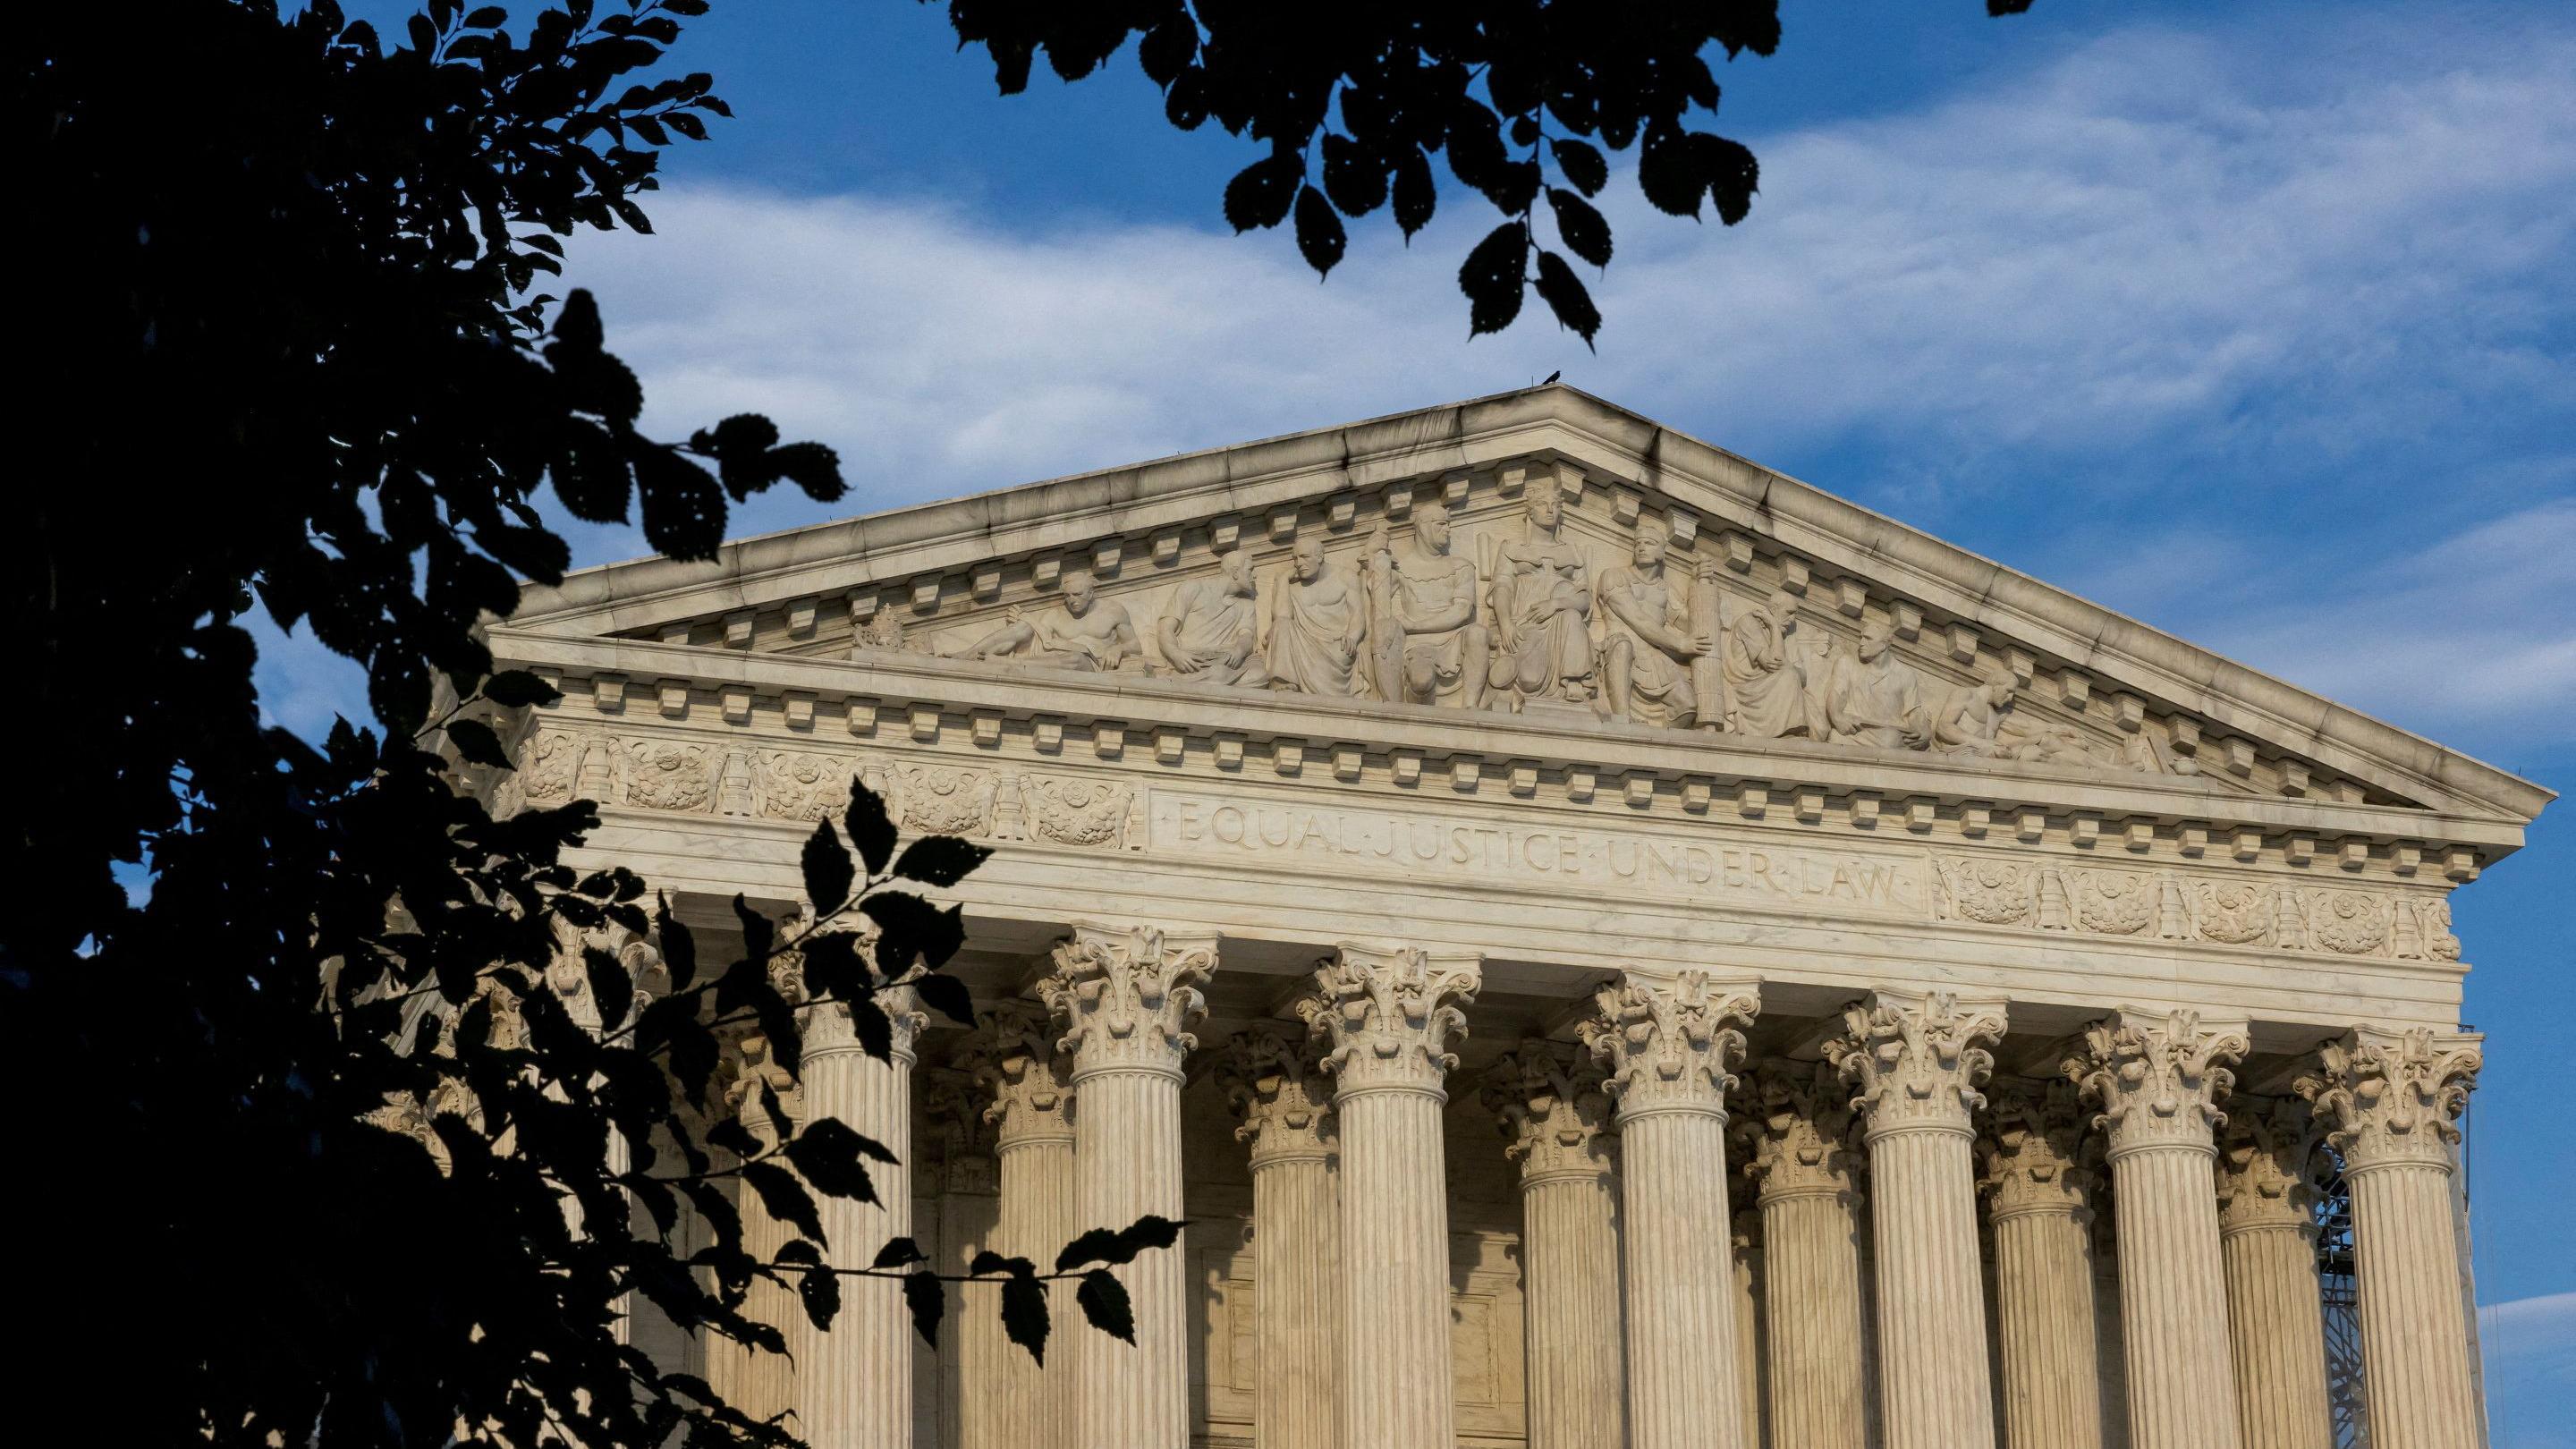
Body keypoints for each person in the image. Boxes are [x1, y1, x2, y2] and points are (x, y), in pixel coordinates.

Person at [1364, 506, 1488, 708]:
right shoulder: (1402, 569)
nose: (1448, 529)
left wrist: (1414, 626)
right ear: (1423, 528)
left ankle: (1470, 707)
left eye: (1448, 524)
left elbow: (1462, 611)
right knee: (1421, 681)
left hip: (1455, 638)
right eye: (1441, 524)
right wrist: (1374, 557)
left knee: (1479, 633)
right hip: (1418, 645)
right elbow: (1376, 601)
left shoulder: (1461, 566)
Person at [1595, 519, 1712, 728]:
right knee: (1622, 645)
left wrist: (1698, 586)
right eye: (1637, 543)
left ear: (1662, 552)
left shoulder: (1664, 589)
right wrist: (1679, 644)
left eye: (1648, 543)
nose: (1641, 548)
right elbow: (1637, 618)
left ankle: (1655, 747)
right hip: (1623, 650)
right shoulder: (1614, 576)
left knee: (1688, 706)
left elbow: (1692, 624)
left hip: (1655, 657)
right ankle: (1622, 721)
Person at [1487, 488, 1595, 708]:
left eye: (1555, 505)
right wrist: (1506, 624)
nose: (1549, 509)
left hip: (1563, 626)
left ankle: (1573, 679)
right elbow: (1502, 587)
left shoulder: (1573, 552)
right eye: (1541, 504)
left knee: (1572, 616)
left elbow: (1585, 600)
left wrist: (1556, 604)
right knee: (1529, 679)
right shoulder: (1511, 548)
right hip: (1524, 623)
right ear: (1530, 511)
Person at [945, 568, 1141, 672]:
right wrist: (1026, 619)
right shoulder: (1055, 614)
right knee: (1024, 627)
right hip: (1051, 656)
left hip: (1090, 664)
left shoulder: (1114, 611)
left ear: (1091, 593)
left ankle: (1003, 664)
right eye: (1067, 596)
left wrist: (1118, 648)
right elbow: (1045, 639)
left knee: (1076, 659)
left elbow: (1135, 645)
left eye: (1077, 594)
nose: (1072, 601)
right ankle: (969, 654)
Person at [1267, 532, 1368, 697]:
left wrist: (1353, 636)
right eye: (1295, 559)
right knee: (1281, 624)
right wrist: (1283, 579)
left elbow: (1357, 613)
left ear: (1320, 556)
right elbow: (1281, 617)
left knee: (1342, 654)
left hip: (1336, 645)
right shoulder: (1292, 586)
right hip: (1302, 645)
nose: (1298, 564)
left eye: (1304, 557)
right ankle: (1284, 682)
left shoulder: (1345, 577)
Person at [1156, 548, 1268, 686]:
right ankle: (1177, 680)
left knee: (1260, 675)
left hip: (1228, 661)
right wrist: (1176, 654)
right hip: (1195, 662)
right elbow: (1165, 628)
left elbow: (1246, 636)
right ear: (1235, 573)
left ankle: (1195, 682)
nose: (1255, 576)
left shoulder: (1246, 605)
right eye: (1250, 570)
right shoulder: (1193, 588)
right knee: (1219, 674)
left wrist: (1239, 650)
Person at [1723, 588, 1821, 738]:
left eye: (1795, 614)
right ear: (1773, 609)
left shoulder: (1787, 630)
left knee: (1821, 726)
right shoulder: (1748, 621)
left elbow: (1802, 676)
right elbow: (1773, 663)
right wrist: (1774, 626)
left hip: (1770, 687)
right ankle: (1788, 733)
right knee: (1788, 676)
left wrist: (1776, 629)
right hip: (1748, 689)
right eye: (1789, 612)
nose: (1793, 619)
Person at [1823, 617, 1931, 750]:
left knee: (1890, 740)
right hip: (1854, 733)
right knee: (1834, 737)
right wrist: (1836, 717)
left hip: (1889, 735)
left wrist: (1924, 731)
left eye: (1868, 639)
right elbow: (1837, 694)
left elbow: (1913, 712)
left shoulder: (1904, 674)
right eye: (1861, 637)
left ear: (1884, 645)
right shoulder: (1846, 663)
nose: (1861, 643)